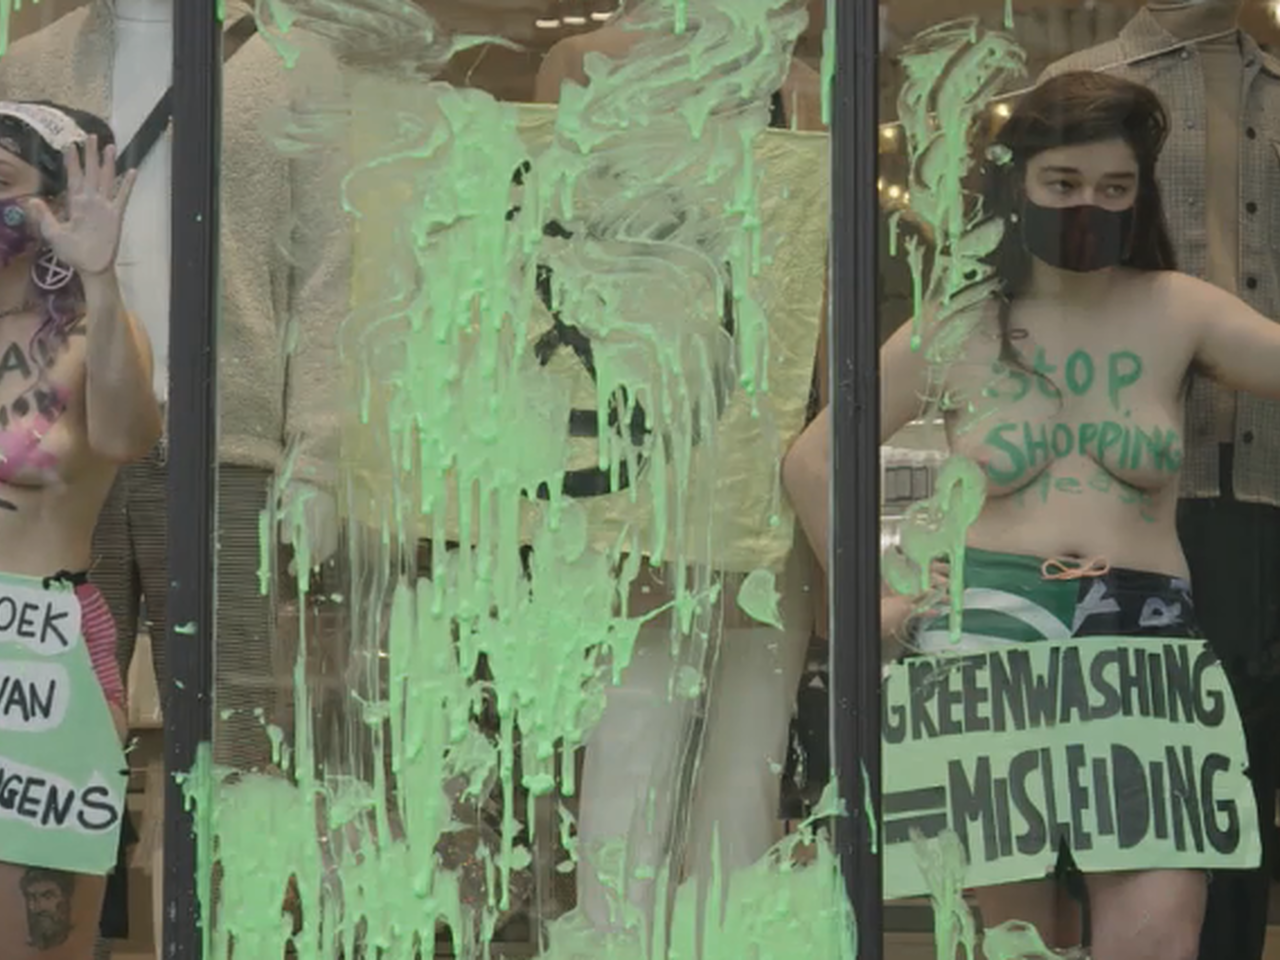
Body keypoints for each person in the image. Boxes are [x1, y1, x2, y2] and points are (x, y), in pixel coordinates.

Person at [783, 69, 1280, 960]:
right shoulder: (960, 322)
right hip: (985, 632)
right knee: (1018, 939)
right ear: (1020, 184)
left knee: (1160, 929)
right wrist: (873, 601)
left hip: (1143, 638)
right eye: (1065, 182)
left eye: (1115, 187)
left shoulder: (1178, 308)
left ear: (1141, 193)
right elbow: (814, 460)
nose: (1091, 203)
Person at [1040, 6, 1280, 958]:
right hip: (1135, 503)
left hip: (1268, 476)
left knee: (1241, 784)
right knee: (1125, 789)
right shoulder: (1089, 86)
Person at [0, 100, 160, 960]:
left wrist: (101, 277)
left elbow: (130, 439)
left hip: (37, 657)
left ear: (56, 206)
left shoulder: (96, 335)